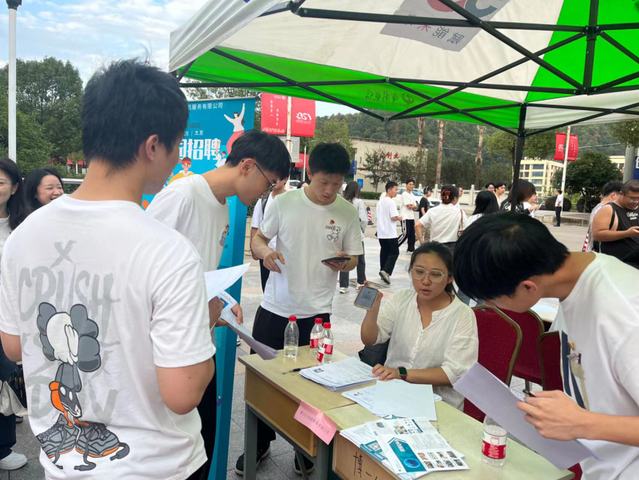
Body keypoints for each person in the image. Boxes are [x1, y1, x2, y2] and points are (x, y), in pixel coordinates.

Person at [0, 60, 215, 479]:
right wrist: (204, 324)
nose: (176, 160)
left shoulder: (23, 236)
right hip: (157, 467)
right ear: (153, 146)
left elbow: (13, 347)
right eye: (176, 146)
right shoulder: (168, 251)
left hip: (63, 465)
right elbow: (183, 392)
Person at [148, 129, 290, 478]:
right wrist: (202, 312)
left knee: (203, 449)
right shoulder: (182, 196)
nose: (265, 194)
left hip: (199, 345)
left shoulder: (222, 208)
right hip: (168, 355)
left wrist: (221, 303)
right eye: (268, 183)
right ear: (247, 166)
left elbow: (198, 274)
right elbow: (141, 278)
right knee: (179, 460)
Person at [453, 212, 639, 480]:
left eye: (492, 300)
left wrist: (581, 423)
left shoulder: (624, 313)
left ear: (528, 287)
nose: (491, 308)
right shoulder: (575, 284)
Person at [239, 143, 362, 476]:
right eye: (324, 182)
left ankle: (304, 449)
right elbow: (258, 240)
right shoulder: (284, 203)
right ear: (309, 172)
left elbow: (354, 257)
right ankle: (259, 442)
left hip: (318, 314)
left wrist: (345, 262)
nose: (329, 190)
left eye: (337, 184)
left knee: (312, 388)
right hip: (275, 308)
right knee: (264, 381)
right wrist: (266, 253)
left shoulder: (347, 212)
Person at [360, 242, 477, 409]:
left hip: (439, 404)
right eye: (419, 272)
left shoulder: (462, 314)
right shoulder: (401, 299)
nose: (425, 281)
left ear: (450, 277)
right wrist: (372, 311)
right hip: (393, 393)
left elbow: (455, 373)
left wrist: (401, 374)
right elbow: (370, 339)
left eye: (436, 274)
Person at [0, 158, 27, 472]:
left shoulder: (23, 228)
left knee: (5, 382)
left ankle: (2, 448)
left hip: (9, 317)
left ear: (15, 188)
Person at [251, 177, 289, 292]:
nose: (276, 181)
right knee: (266, 288)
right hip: (266, 254)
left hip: (284, 256)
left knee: (283, 288)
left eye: (279, 177)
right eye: (274, 177)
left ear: (286, 179)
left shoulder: (290, 201)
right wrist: (254, 250)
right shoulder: (263, 201)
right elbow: (255, 226)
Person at [591, 179, 639, 269]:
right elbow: (597, 235)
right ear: (621, 194)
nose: (636, 201)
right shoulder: (608, 209)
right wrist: (627, 233)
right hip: (615, 265)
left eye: (638, 198)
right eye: (632, 198)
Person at [416, 185, 467, 252]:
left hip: (435, 247)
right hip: (452, 248)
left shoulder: (432, 211)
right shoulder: (460, 212)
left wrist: (422, 243)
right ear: (455, 198)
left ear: (441, 197)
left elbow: (417, 225)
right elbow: (466, 230)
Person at [339, 181, 368, 293]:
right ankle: (360, 282)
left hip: (344, 234)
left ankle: (343, 285)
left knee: (345, 259)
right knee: (360, 260)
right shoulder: (359, 202)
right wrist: (362, 230)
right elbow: (363, 219)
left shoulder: (342, 201)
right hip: (356, 234)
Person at [582, 181, 623, 252]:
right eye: (622, 195)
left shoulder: (599, 207)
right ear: (614, 195)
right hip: (601, 252)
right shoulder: (604, 209)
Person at [376, 181, 402, 285]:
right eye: (395, 189)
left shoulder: (380, 202)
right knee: (395, 252)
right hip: (390, 233)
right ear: (389, 189)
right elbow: (394, 217)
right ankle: (386, 271)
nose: (396, 192)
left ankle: (382, 270)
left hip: (381, 232)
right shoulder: (391, 202)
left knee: (384, 252)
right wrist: (400, 217)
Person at [397, 178, 418, 253]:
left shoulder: (412, 194)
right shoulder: (404, 194)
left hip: (411, 217)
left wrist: (413, 206)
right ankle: (394, 246)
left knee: (412, 234)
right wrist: (413, 206)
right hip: (405, 217)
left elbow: (416, 207)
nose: (411, 186)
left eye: (413, 184)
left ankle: (411, 249)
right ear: (406, 185)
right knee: (405, 234)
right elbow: (409, 206)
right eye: (410, 184)